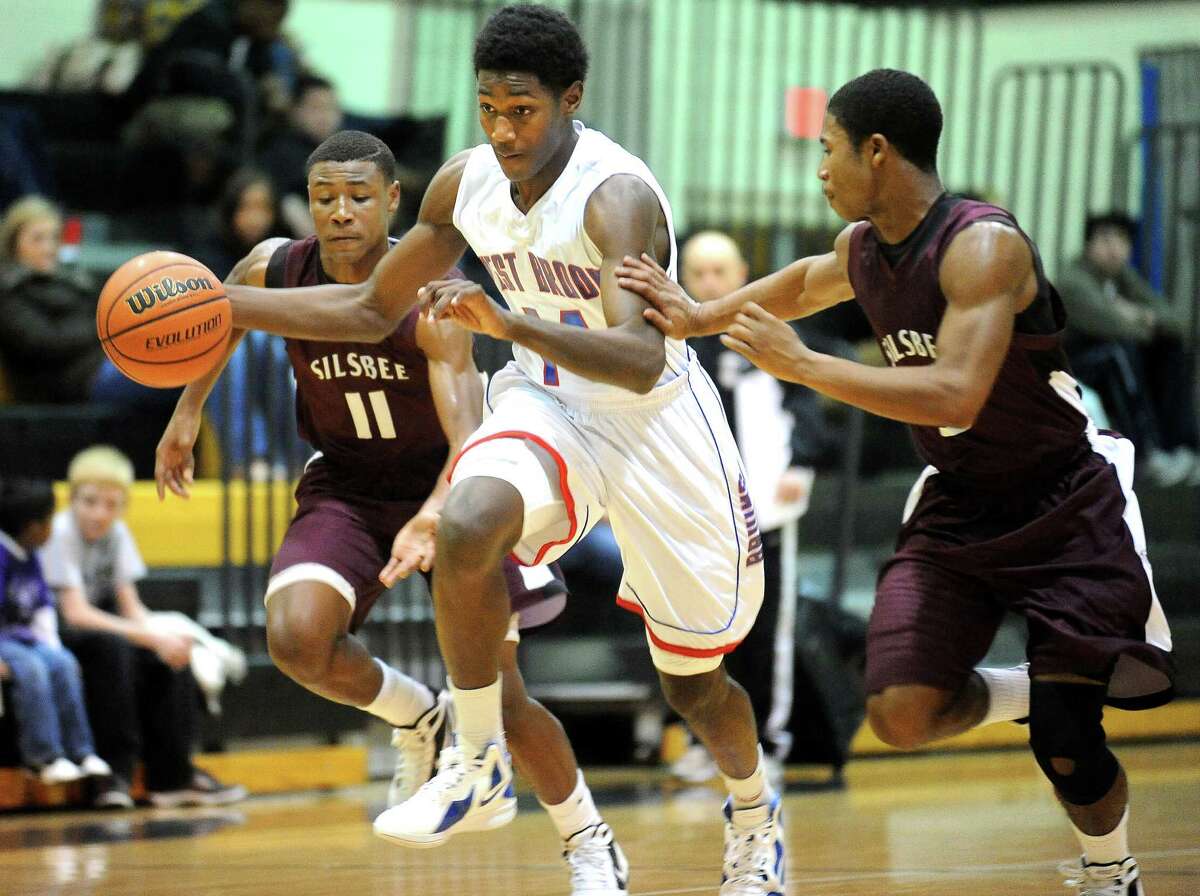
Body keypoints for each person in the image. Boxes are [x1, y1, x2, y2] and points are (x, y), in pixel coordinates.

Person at [218, 7, 779, 893]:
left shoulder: (614, 196)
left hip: (655, 427)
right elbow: (370, 308)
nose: (503, 130)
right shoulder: (463, 184)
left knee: (694, 684)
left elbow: (638, 361)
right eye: (488, 109)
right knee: (469, 520)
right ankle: (475, 759)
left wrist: (508, 320)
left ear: (571, 100)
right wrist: (217, 307)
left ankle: (755, 819)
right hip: (547, 402)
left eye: (522, 110)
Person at [617, 69, 1173, 896]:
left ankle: (1109, 868)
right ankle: (1045, 689)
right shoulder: (864, 248)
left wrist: (805, 366)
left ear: (876, 152)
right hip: (960, 504)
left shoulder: (985, 246)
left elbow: (955, 391)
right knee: (899, 712)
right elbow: (806, 283)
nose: (820, 169)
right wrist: (698, 317)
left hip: (1064, 501)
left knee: (1068, 746)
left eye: (828, 150)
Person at [156, 128, 626, 892]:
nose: (340, 212)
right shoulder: (273, 266)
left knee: (505, 701)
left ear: (394, 201)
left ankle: (588, 842)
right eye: (324, 197)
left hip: (452, 488)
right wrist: (187, 415)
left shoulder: (433, 295)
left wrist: (436, 513)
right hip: (346, 481)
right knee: (298, 639)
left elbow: (469, 436)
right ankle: (420, 717)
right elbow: (221, 316)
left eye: (358, 197)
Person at [671, 230, 826, 786]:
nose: (709, 283)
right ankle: (698, 741)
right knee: (696, 635)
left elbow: (808, 404)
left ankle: (771, 742)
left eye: (720, 272)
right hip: (698, 520)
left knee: (766, 636)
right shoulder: (676, 345)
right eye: (698, 273)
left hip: (768, 516)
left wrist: (800, 466)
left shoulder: (770, 332)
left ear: (741, 274)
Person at [39, 446, 246, 809]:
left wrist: (164, 640)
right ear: (72, 499)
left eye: (111, 504)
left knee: (169, 653)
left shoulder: (117, 534)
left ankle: (173, 777)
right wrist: (148, 636)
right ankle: (113, 775)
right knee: (115, 651)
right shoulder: (60, 532)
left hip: (103, 628)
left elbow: (131, 606)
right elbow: (76, 614)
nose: (100, 513)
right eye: (90, 502)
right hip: (55, 634)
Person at [1058, 211, 1198, 486]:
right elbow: (1114, 328)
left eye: (1122, 241)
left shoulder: (1124, 279)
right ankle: (1145, 453)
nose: (1114, 249)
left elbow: (1176, 324)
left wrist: (1138, 314)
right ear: (1089, 244)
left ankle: (1180, 446)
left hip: (1115, 358)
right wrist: (1135, 320)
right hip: (1071, 366)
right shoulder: (1073, 281)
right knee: (1117, 354)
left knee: (1173, 349)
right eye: (1106, 239)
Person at [0, 196, 176, 411]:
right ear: (13, 243)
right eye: (38, 239)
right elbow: (46, 342)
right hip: (75, 382)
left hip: (109, 362)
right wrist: (110, 326)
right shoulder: (9, 292)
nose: (49, 248)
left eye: (55, 238)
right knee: (185, 368)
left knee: (198, 356)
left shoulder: (73, 281)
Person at [0, 477, 112, 787]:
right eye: (50, 520)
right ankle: (42, 757)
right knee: (32, 669)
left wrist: (54, 648)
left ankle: (80, 752)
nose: (54, 527)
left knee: (62, 663)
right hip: (4, 642)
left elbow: (42, 611)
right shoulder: (1, 555)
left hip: (23, 638)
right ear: (33, 526)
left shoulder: (31, 554)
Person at [258, 73, 344, 238]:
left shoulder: (344, 152)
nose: (325, 116)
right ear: (295, 110)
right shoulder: (280, 150)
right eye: (316, 107)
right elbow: (287, 202)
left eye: (331, 108)